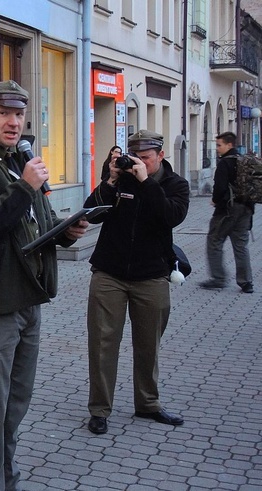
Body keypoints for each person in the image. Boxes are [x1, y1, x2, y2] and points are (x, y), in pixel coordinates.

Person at [0, 81, 87, 490]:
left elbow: (28, 226)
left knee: (12, 409)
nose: (14, 121)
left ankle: (6, 481)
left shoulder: (15, 157)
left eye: (19, 114)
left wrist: (63, 232)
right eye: (4, 113)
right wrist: (23, 187)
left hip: (27, 300)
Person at [84, 129, 190, 436]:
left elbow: (170, 216)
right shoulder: (120, 180)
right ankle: (100, 410)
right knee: (103, 345)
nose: (138, 163)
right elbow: (93, 214)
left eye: (145, 158)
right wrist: (111, 178)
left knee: (148, 346)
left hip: (152, 276)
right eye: (135, 158)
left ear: (160, 155)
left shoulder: (176, 185)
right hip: (108, 273)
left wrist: (145, 182)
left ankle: (148, 404)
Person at [199, 132, 254, 293]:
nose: (217, 149)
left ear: (229, 145)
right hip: (246, 208)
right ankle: (246, 282)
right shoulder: (245, 161)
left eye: (219, 145)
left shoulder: (225, 163)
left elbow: (220, 187)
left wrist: (216, 201)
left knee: (214, 241)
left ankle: (218, 278)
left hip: (227, 209)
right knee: (241, 245)